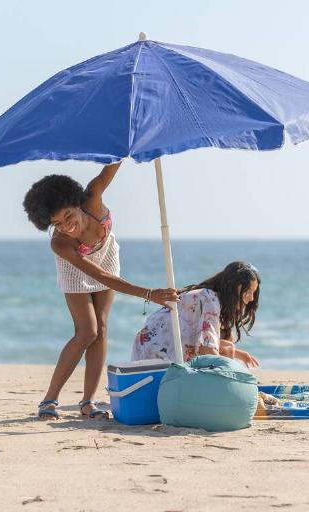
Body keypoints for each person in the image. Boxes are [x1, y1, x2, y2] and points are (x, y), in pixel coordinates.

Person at [22, 162, 178, 420]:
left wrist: (123, 142)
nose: (65, 226)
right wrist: (149, 294)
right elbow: (99, 276)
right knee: (86, 331)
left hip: (106, 255)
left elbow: (113, 163)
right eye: (56, 223)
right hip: (76, 268)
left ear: (76, 202)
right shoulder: (60, 243)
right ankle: (49, 399)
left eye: (68, 217)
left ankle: (88, 402)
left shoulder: (93, 196)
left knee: (102, 329)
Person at [131, 261, 261, 367]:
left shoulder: (211, 298)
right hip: (155, 358)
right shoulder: (210, 300)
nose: (251, 298)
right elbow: (207, 351)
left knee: (228, 347)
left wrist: (238, 354)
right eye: (248, 291)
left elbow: (206, 343)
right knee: (223, 363)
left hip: (150, 352)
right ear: (233, 288)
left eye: (253, 293)